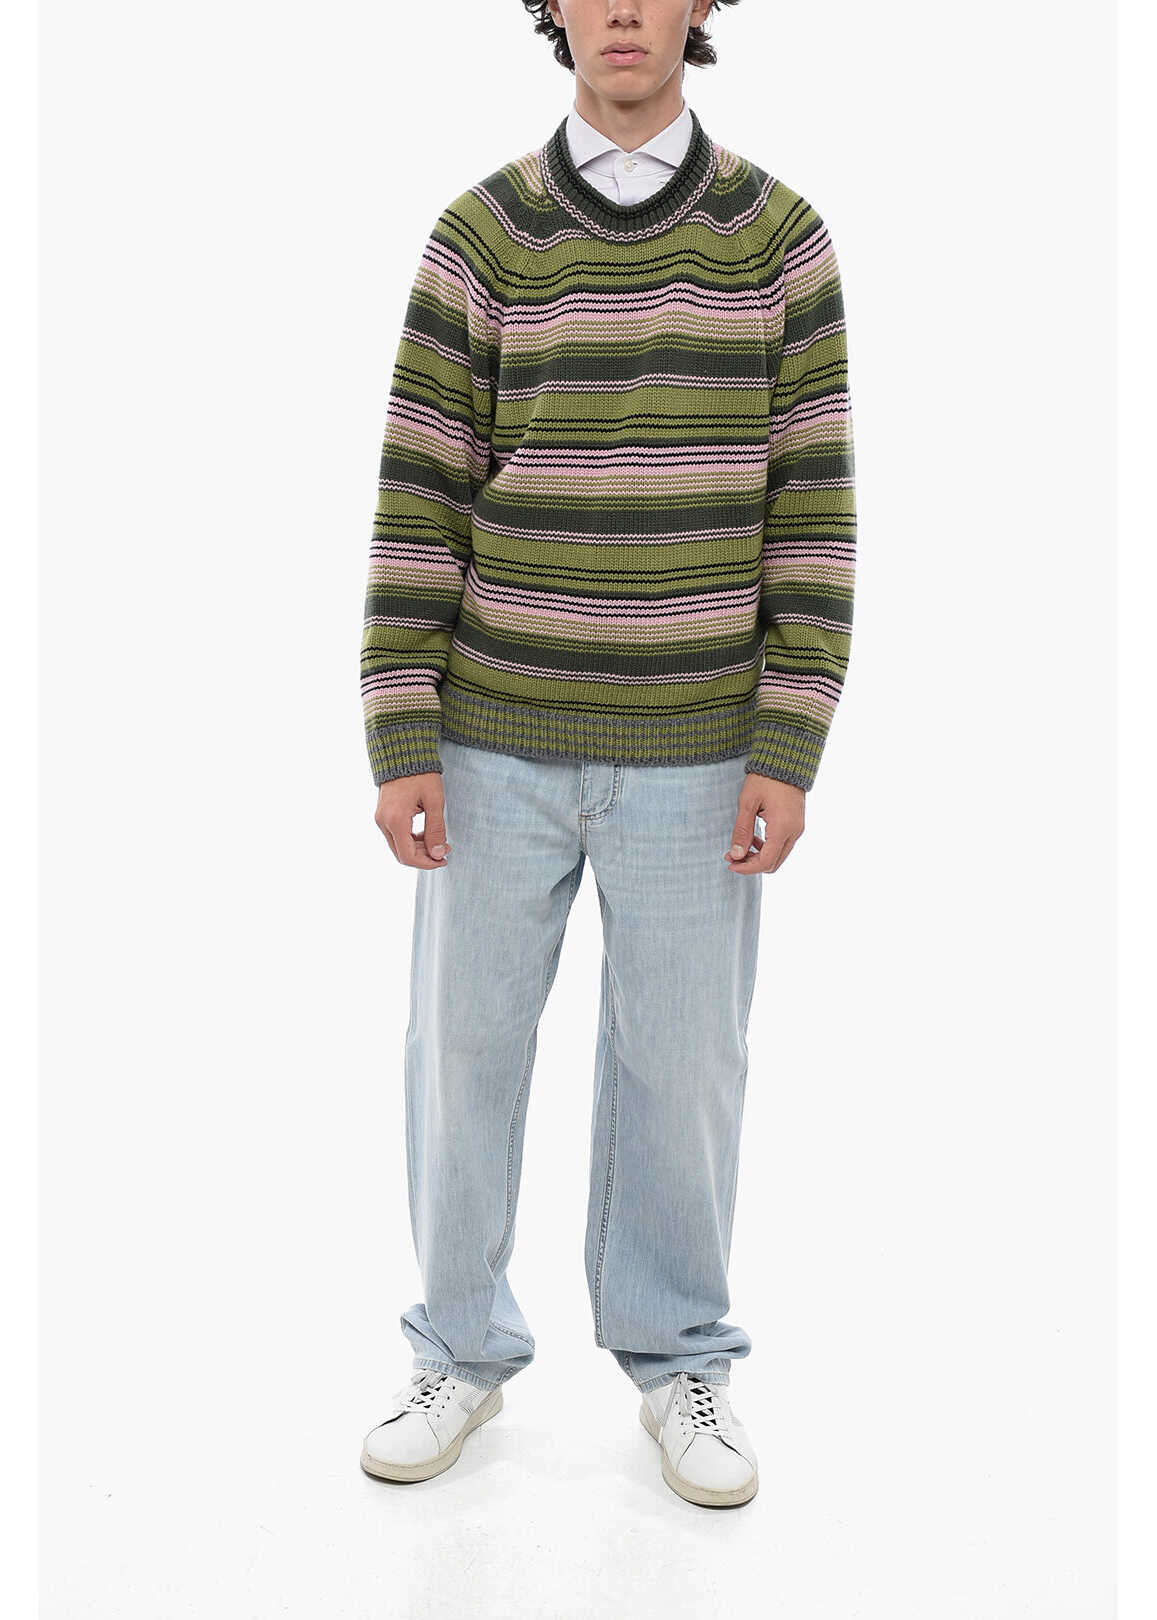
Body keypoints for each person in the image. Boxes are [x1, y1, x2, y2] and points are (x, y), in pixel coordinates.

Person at [357, 0, 856, 1509]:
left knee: (686, 1068)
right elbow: (420, 493)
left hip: (701, 749)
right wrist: (399, 724)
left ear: (701, 6)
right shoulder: (480, 236)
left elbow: (813, 506)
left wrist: (790, 736)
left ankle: (680, 1354)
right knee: (462, 1055)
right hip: (490, 738)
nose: (623, 9)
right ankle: (458, 1344)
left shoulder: (779, 239)